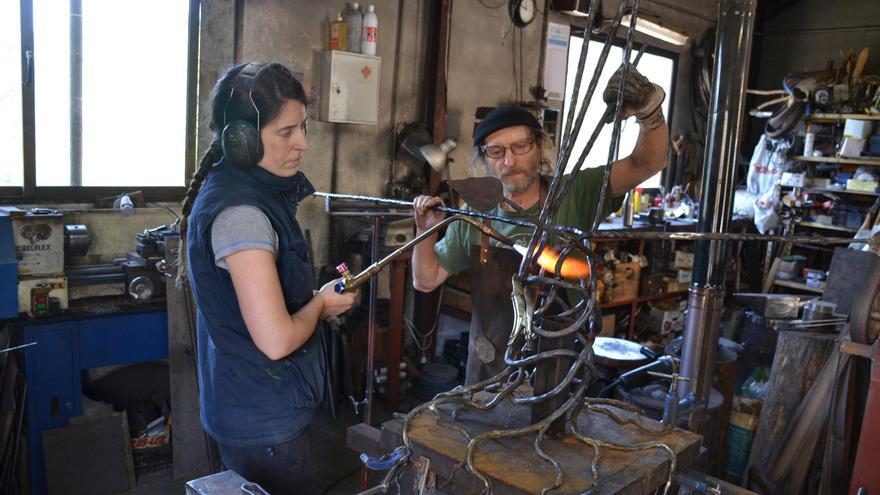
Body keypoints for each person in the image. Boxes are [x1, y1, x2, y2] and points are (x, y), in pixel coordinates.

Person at [412, 65, 668, 385]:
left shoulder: (574, 192)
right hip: (488, 376)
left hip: (558, 372)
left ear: (539, 147)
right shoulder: (476, 214)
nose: (510, 161)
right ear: (484, 159)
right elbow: (426, 280)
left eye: (520, 147)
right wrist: (424, 231)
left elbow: (648, 162)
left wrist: (649, 112)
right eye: (497, 151)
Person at [177, 62, 357, 494]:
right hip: (265, 421)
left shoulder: (249, 191)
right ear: (240, 140)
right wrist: (320, 304)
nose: (303, 144)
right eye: (286, 132)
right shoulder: (243, 215)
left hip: (251, 405)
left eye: (304, 127)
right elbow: (276, 340)